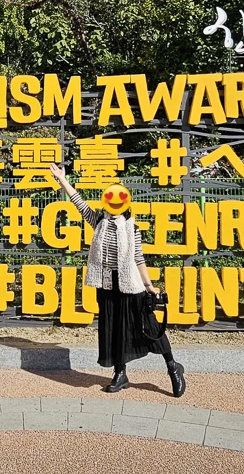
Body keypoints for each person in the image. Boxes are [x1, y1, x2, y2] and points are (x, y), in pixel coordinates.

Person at [49, 163, 186, 396]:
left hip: (130, 285)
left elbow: (138, 258)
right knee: (113, 329)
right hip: (106, 284)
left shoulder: (132, 228)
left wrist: (149, 286)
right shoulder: (98, 221)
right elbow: (78, 202)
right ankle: (120, 374)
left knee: (149, 326)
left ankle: (173, 366)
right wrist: (62, 179)